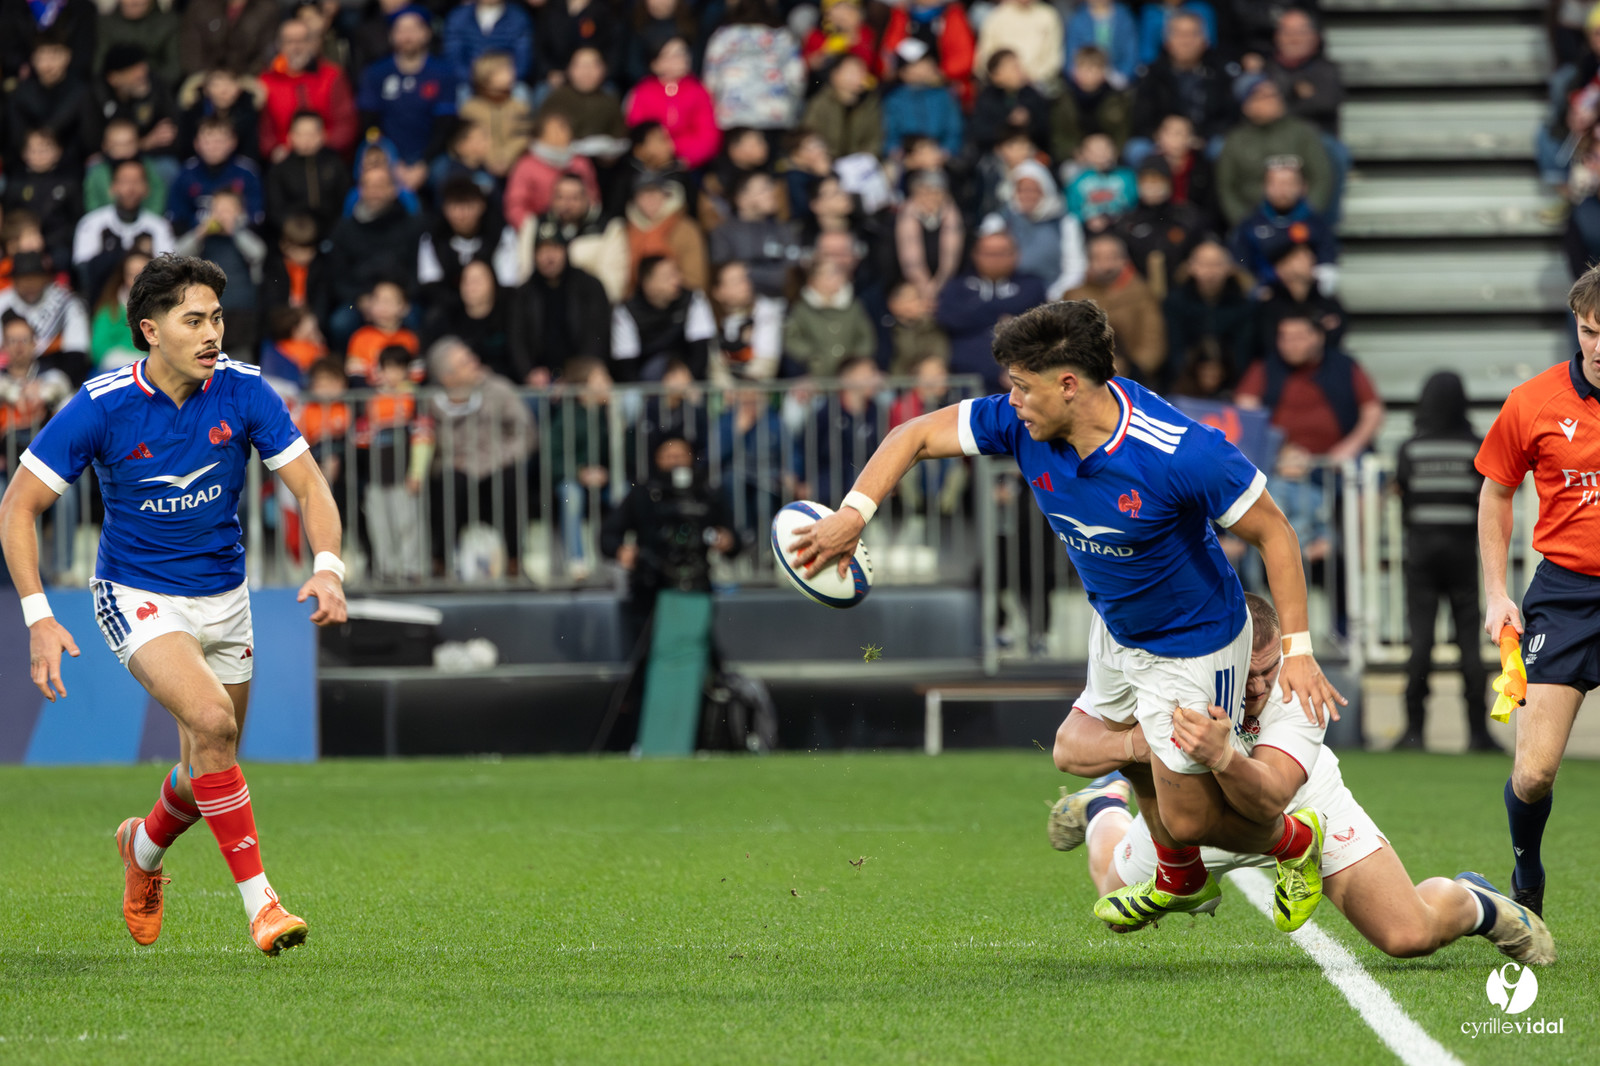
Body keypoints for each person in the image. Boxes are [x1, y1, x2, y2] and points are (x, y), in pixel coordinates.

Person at [790, 298, 1346, 930]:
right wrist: (853, 513)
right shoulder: (1021, 422)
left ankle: (1295, 841)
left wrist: (1299, 650)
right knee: (1078, 751)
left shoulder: (1180, 451)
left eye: (1022, 387)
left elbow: (1276, 534)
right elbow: (912, 435)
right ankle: (1179, 874)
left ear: (1069, 385)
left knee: (1191, 820)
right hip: (1116, 625)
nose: (1013, 401)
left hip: (1193, 642)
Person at [0, 253, 347, 954]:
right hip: (136, 593)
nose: (212, 333)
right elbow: (18, 507)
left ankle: (143, 849)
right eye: (194, 320)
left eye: (216, 317)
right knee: (214, 722)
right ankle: (263, 907)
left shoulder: (245, 390)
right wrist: (39, 616)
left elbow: (311, 486)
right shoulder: (101, 405)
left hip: (225, 597)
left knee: (207, 762)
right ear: (151, 331)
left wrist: (329, 569)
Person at [1048, 593, 1554, 966]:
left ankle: (1478, 902)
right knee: (1112, 898)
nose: (1258, 687)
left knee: (1409, 936)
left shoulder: (1299, 687)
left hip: (1301, 807)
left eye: (1268, 671)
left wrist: (1221, 755)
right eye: (1246, 675)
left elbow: (1268, 800)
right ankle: (1104, 807)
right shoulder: (1184, 671)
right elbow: (1067, 747)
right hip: (1193, 812)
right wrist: (1139, 746)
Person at [1475, 264, 1600, 919]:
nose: (1599, 347)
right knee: (1532, 774)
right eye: (1590, 331)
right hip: (1566, 595)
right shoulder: (1533, 401)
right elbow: (1496, 491)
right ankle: (1527, 878)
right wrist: (1497, 593)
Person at [1393, 372, 1496, 753]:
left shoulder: (1411, 449)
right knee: (1469, 642)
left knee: (1421, 641)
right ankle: (1478, 733)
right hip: (1463, 553)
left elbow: (1404, 497)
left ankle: (1414, 731)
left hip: (1421, 553)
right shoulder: (1475, 447)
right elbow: (1487, 498)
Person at [935, 226, 1045, 393]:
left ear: (1016, 255)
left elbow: (1037, 324)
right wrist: (1007, 313)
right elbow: (947, 317)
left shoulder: (1032, 285)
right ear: (975, 255)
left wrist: (973, 310)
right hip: (962, 379)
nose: (995, 259)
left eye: (1001, 253)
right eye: (989, 253)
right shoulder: (957, 285)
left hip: (1016, 380)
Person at [357, 5, 458, 185]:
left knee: (447, 175)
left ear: (427, 33)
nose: (407, 36)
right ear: (391, 35)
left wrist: (423, 164)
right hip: (388, 153)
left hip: (431, 156)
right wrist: (391, 161)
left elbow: (445, 126)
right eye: (401, 30)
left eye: (413, 30)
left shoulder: (443, 73)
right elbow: (370, 123)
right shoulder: (376, 73)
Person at [1216, 76, 1332, 228]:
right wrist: (1244, 223)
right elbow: (1226, 188)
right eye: (1263, 96)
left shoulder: (1302, 133)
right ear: (1246, 106)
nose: (1272, 100)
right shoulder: (1235, 141)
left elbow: (1321, 177)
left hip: (1299, 221)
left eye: (1274, 94)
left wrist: (1307, 215)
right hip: (1253, 222)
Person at [509, 224, 612, 384]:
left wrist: (574, 376)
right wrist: (528, 372)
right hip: (538, 380)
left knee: (597, 384)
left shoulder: (589, 286)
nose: (549, 257)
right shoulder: (524, 294)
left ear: (565, 251)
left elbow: (597, 337)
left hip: (582, 375)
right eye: (542, 250)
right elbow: (516, 340)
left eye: (554, 249)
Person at [1062, 234, 1166, 385]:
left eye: (1111, 257)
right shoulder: (1073, 296)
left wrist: (1133, 370)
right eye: (1098, 258)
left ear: (1124, 260)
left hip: (1133, 378)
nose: (1105, 265)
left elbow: (1153, 340)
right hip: (1084, 378)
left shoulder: (1142, 294)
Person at [1228, 157, 1338, 294]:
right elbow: (1240, 268)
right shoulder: (1249, 225)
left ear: (1303, 187)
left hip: (1307, 297)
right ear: (1264, 187)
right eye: (1275, 183)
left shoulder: (1317, 225)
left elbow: (1328, 268)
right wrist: (1258, 293)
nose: (1282, 190)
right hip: (1264, 298)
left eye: (1288, 184)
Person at [258, 17, 357, 164]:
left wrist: (320, 145)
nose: (296, 47)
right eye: (290, 41)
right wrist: (275, 149)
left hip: (327, 159)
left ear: (313, 43)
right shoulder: (266, 81)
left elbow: (346, 124)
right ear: (280, 46)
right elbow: (264, 131)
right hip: (284, 162)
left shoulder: (332, 76)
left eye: (302, 41)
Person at [72, 160, 177, 297]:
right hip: (101, 300)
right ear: (112, 187)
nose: (130, 189)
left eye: (136, 182)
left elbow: (168, 270)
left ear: (146, 188)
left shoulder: (159, 226)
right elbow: (84, 270)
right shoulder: (91, 223)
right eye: (124, 182)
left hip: (147, 299)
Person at [702, 0, 805, 137]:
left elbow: (710, 81)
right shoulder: (784, 36)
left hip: (732, 118)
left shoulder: (722, 36)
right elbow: (797, 79)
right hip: (776, 116)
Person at [611, 255, 715, 381]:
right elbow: (626, 365)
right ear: (647, 282)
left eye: (677, 273)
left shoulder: (693, 299)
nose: (677, 281)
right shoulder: (626, 311)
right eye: (667, 277)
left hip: (687, 373)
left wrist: (688, 380)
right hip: (647, 378)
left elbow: (701, 351)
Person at [529, 174, 629, 302]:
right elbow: (525, 273)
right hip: (543, 304)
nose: (566, 204)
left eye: (574, 198)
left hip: (592, 305)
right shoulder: (536, 225)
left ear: (588, 198)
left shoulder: (608, 227)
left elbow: (613, 285)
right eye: (560, 197)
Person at [627, 38, 721, 170]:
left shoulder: (698, 91)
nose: (681, 59)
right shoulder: (643, 91)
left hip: (688, 164)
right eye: (671, 55)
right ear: (655, 63)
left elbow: (708, 135)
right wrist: (656, 152)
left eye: (683, 53)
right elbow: (638, 130)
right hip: (649, 161)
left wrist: (676, 151)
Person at [1000, 160, 1087, 301]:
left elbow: (1075, 268)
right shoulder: (1002, 219)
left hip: (1051, 296)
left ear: (1046, 190)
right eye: (1021, 190)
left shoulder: (1065, 222)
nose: (1027, 195)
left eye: (1033, 190)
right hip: (1009, 295)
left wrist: (1053, 295)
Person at [264, 111, 350, 240]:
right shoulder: (280, 170)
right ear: (291, 136)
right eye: (301, 134)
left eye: (311, 134)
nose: (306, 140)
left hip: (333, 235)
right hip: (292, 236)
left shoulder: (335, 164)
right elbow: (275, 210)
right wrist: (296, 231)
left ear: (323, 135)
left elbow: (345, 202)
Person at [784, 260, 876, 378]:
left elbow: (866, 336)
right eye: (828, 274)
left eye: (837, 273)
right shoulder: (801, 309)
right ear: (813, 280)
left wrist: (856, 360)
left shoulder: (854, 307)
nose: (835, 278)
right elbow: (792, 338)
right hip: (815, 374)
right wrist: (812, 356)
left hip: (849, 375)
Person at [803, 54, 885, 161]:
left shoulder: (870, 104)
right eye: (852, 72)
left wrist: (863, 158)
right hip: (826, 161)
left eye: (862, 72)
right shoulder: (820, 104)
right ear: (835, 75)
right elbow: (810, 137)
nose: (859, 76)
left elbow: (875, 140)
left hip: (859, 163)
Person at [443, 0, 534, 86]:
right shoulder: (458, 17)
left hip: (509, 83)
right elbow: (453, 59)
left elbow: (522, 62)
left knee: (521, 91)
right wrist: (478, 80)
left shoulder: (519, 18)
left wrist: (501, 80)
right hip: (468, 83)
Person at [1064, 0, 1139, 86]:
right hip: (1085, 76)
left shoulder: (1125, 18)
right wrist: (1080, 75)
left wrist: (1124, 75)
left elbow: (1131, 52)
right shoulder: (1077, 20)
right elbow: (1071, 54)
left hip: (1118, 76)